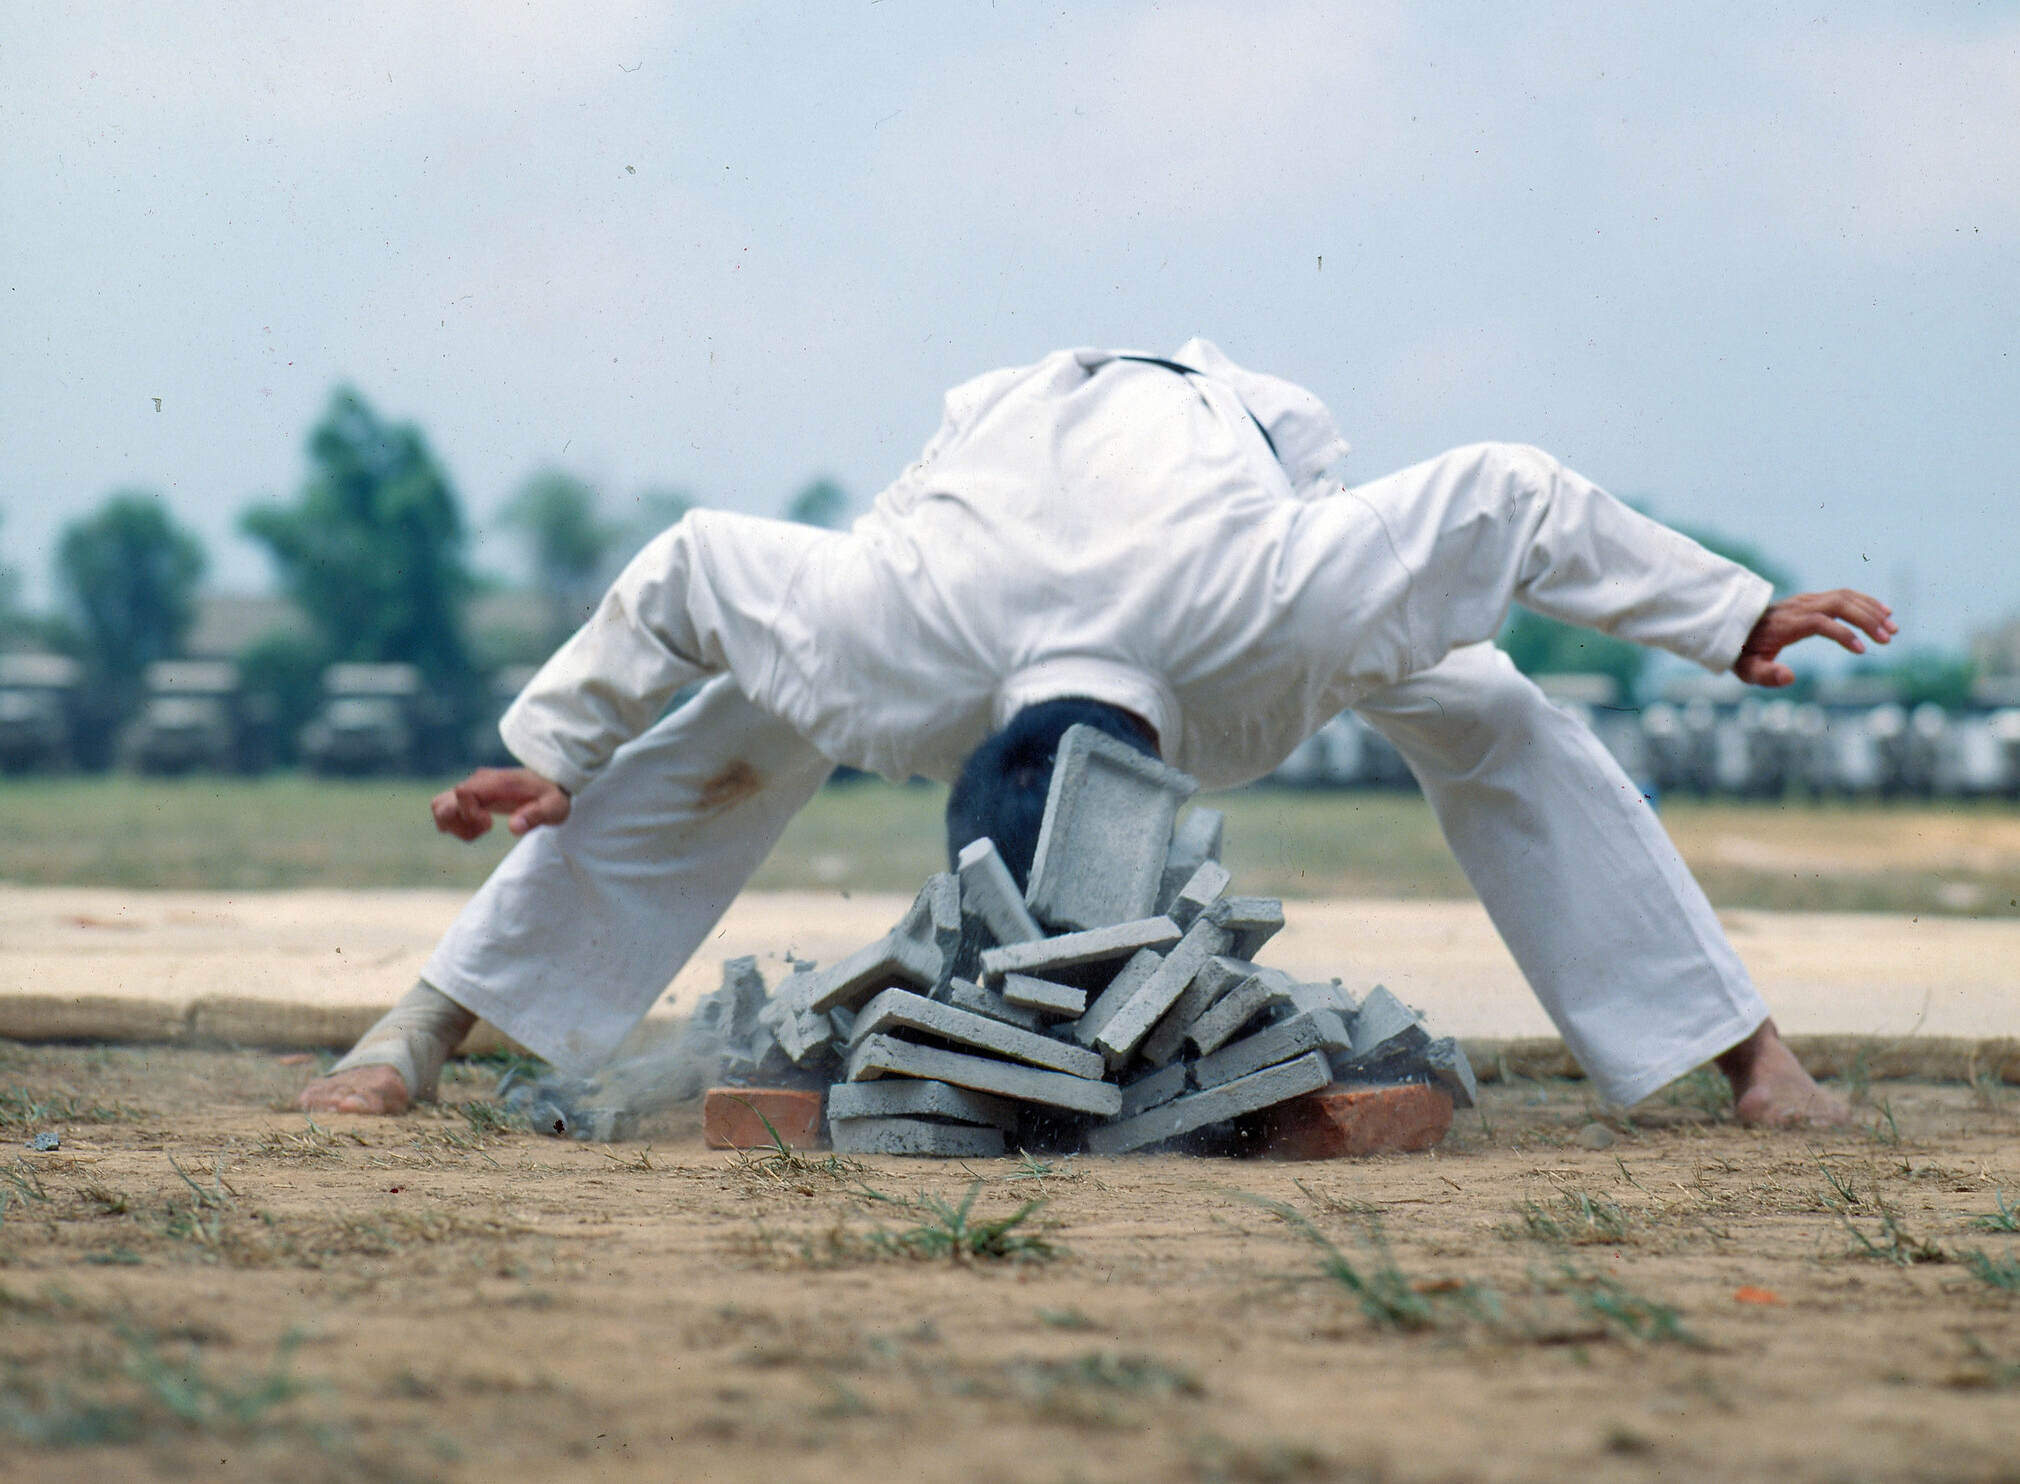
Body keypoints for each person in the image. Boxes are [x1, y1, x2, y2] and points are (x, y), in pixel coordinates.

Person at [300, 341, 1893, 1128]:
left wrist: (1728, 611)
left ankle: (1752, 1057)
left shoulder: (1270, 613)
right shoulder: (902, 649)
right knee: (744, 717)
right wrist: (558, 752)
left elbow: (1510, 501)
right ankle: (417, 1032)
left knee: (1485, 701)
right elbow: (697, 571)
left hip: (1220, 442)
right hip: (987, 480)